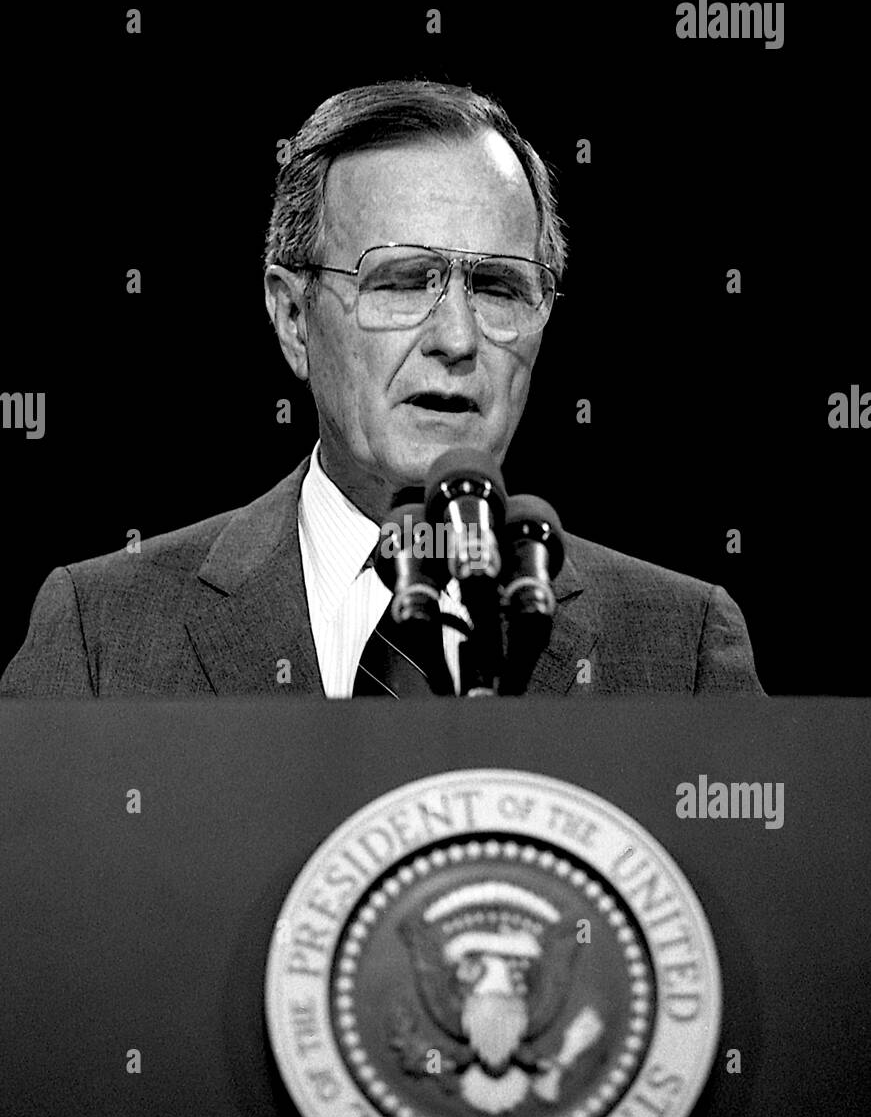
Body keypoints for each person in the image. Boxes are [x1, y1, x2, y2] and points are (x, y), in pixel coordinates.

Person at [0, 80, 764, 699]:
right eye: (402, 282)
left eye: (499, 288)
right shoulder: (101, 633)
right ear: (294, 318)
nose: (457, 339)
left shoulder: (679, 648)